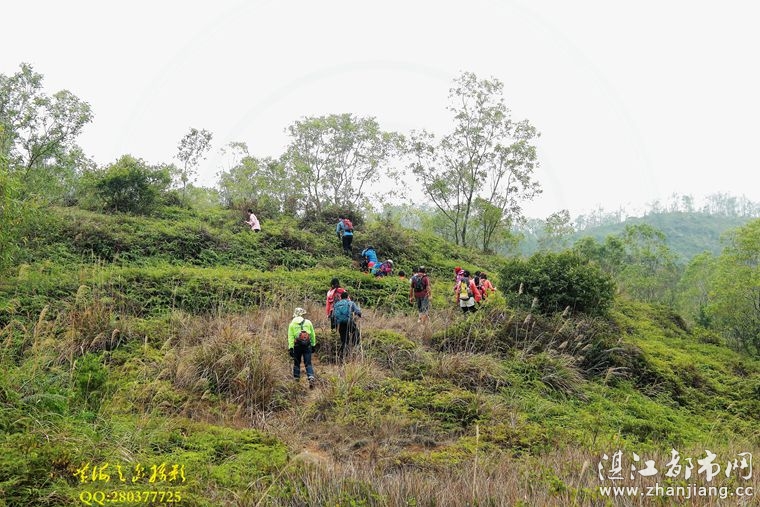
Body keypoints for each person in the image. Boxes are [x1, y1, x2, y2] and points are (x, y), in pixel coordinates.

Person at [288, 307, 317, 388]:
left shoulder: (292, 324)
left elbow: (290, 337)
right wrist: (313, 345)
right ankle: (311, 377)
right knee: (308, 363)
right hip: (307, 345)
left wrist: (291, 348)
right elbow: (312, 334)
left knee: (296, 363)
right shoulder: (308, 322)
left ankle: (296, 381)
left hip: (297, 346)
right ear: (302, 314)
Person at [332, 291, 362, 360]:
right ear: (347, 297)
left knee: (344, 341)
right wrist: (359, 315)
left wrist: (334, 325)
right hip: (349, 322)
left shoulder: (336, 304)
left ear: (341, 297)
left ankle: (342, 357)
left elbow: (333, 315)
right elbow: (358, 311)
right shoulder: (350, 303)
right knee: (356, 332)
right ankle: (355, 346)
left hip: (341, 324)